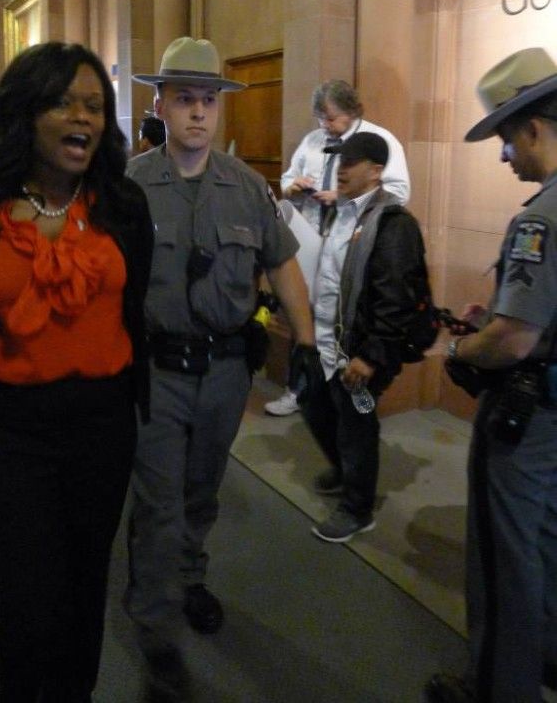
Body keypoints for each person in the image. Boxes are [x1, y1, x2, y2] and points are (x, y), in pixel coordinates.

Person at [0, 41, 154, 703]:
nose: (81, 116)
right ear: (25, 114)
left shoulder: (123, 205)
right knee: (30, 600)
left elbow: (130, 304)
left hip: (103, 430)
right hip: (11, 438)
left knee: (85, 589)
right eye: (62, 102)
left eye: (93, 104)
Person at [124, 36, 319, 700]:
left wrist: (310, 342)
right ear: (161, 105)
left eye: (209, 101)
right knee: (158, 501)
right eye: (185, 100)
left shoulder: (246, 190)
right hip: (156, 374)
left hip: (224, 373)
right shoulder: (129, 187)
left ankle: (189, 577)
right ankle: (155, 627)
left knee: (200, 492)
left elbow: (282, 262)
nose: (199, 113)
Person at [426, 47, 557, 703]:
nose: (506, 156)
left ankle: (499, 689)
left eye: (507, 139)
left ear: (534, 128)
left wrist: (464, 350)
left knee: (506, 560)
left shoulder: (540, 217)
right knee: (548, 549)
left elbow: (515, 338)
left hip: (529, 423)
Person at [297, 131, 430, 543]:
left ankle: (358, 508)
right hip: (325, 339)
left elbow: (396, 296)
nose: (342, 169)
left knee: (356, 422)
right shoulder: (341, 212)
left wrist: (370, 356)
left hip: (359, 349)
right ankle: (343, 470)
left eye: (351, 162)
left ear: (375, 171)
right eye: (339, 161)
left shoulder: (393, 223)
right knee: (312, 399)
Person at [268, 79, 411, 416]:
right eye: (320, 118)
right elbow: (287, 179)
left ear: (351, 111)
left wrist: (342, 196)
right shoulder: (313, 141)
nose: (325, 125)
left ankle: (339, 395)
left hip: (350, 244)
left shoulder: (380, 142)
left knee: (341, 318)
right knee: (303, 312)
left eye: (331, 118)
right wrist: (294, 187)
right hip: (309, 239)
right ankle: (298, 389)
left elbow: (399, 193)